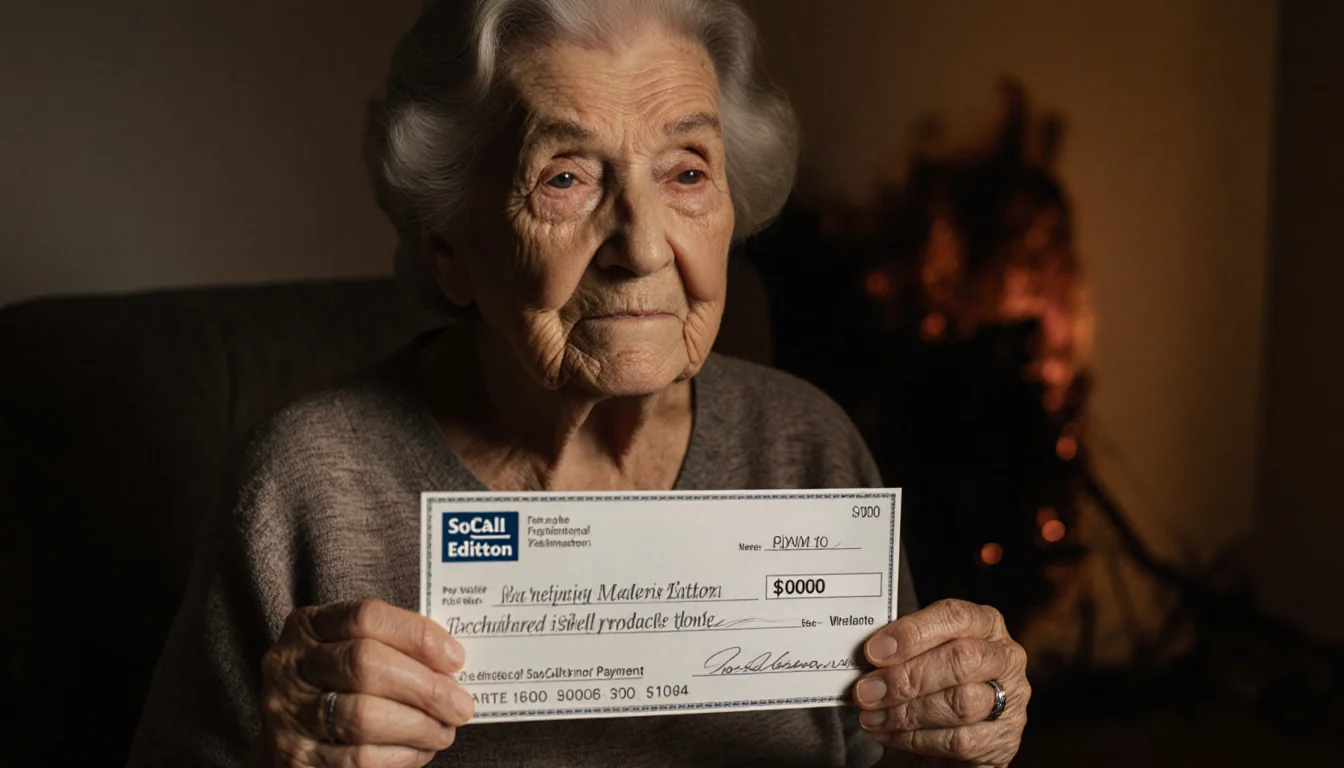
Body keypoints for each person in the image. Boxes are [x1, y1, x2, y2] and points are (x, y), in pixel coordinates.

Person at [128, 1, 1030, 765]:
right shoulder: (309, 483)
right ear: (449, 245)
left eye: (686, 172)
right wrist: (277, 748)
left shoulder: (804, 444)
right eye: (565, 176)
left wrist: (963, 732)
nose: (641, 246)